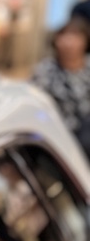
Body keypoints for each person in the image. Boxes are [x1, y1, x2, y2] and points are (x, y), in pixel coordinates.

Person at [32, 15, 90, 153]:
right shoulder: (45, 70)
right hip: (59, 132)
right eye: (63, 36)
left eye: (75, 36)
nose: (69, 43)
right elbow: (35, 104)